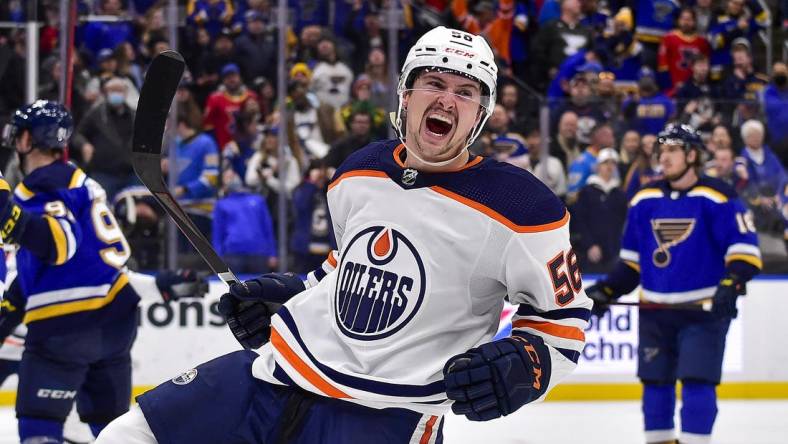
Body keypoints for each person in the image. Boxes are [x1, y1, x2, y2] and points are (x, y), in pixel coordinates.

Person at [97, 27, 592, 443]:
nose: (446, 99)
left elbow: (564, 323)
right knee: (126, 435)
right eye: (434, 83)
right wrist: (288, 294)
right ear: (405, 94)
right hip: (271, 375)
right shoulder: (359, 170)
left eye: (465, 92)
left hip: (385, 418)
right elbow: (344, 268)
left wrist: (524, 365)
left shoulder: (523, 207)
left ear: (480, 112)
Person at [0, 100, 199, 442]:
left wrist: (6, 214)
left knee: (39, 424)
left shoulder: (42, 186)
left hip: (65, 326)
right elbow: (83, 266)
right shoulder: (85, 184)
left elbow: (61, 244)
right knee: (113, 430)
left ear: (29, 139)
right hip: (114, 327)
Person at [586, 124, 762, 444]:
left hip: (703, 311)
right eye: (661, 151)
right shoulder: (644, 199)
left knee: (697, 382)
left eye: (672, 150)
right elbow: (632, 263)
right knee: (655, 384)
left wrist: (731, 283)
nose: (663, 157)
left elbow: (745, 250)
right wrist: (607, 290)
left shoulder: (718, 196)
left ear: (692, 155)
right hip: (655, 310)